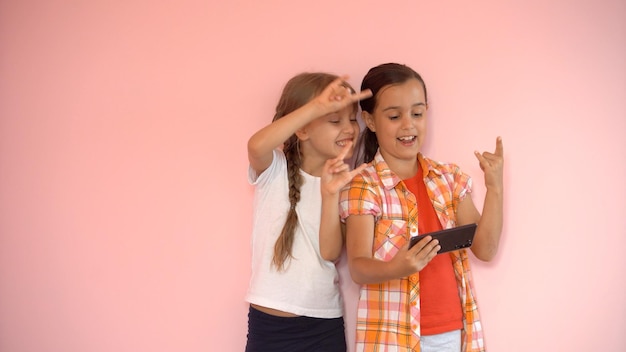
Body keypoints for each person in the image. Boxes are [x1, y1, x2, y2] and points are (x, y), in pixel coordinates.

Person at [339, 63, 504, 352]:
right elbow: (358, 267)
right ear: (371, 120)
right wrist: (397, 267)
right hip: (392, 337)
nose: (408, 125)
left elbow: (485, 249)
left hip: (451, 334)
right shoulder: (364, 185)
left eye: (417, 113)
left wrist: (495, 187)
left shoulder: (448, 178)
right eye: (394, 116)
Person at [245, 72, 372, 352]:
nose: (350, 128)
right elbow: (256, 145)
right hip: (269, 322)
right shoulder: (275, 168)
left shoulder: (347, 182)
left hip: (323, 323)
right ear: (302, 129)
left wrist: (330, 195)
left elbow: (330, 253)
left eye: (352, 119)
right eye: (334, 119)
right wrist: (315, 107)